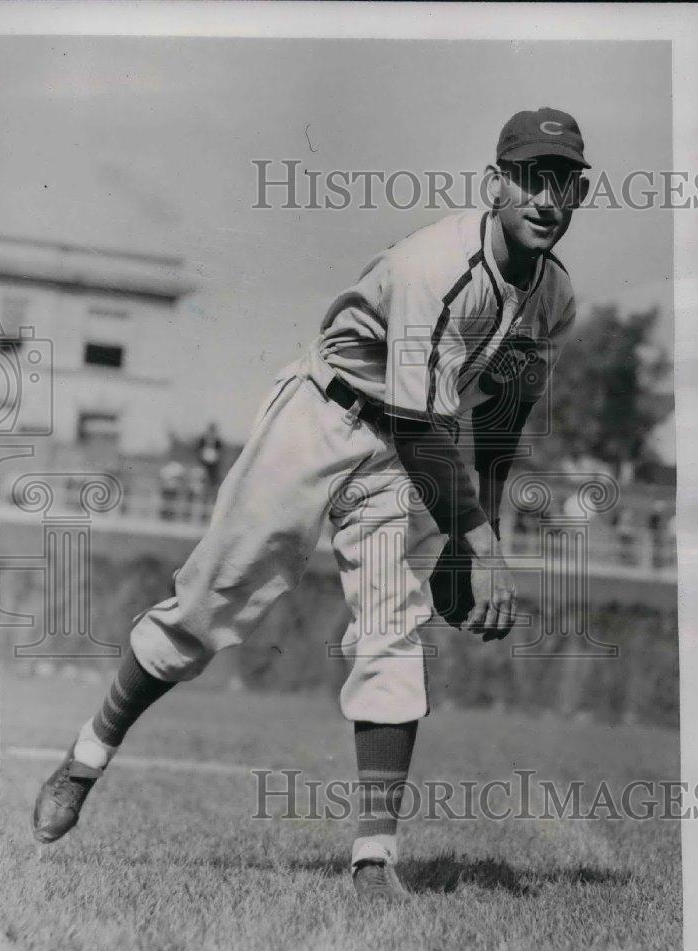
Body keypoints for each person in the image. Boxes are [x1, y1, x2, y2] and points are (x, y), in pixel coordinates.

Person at [33, 108, 590, 901]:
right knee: (207, 606)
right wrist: (485, 551)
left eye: (562, 182)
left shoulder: (555, 297)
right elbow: (416, 422)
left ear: (579, 194)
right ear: (492, 184)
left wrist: (479, 533)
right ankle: (86, 757)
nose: (545, 199)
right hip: (323, 417)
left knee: (395, 631)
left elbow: (500, 410)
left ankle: (372, 859)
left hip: (405, 456)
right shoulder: (438, 264)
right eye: (530, 177)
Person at [196, 422, 222, 491]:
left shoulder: (217, 441)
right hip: (204, 462)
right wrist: (202, 457)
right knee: (203, 478)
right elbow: (199, 451)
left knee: (213, 479)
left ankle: (211, 492)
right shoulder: (202, 440)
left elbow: (219, 453)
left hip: (214, 463)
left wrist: (216, 458)